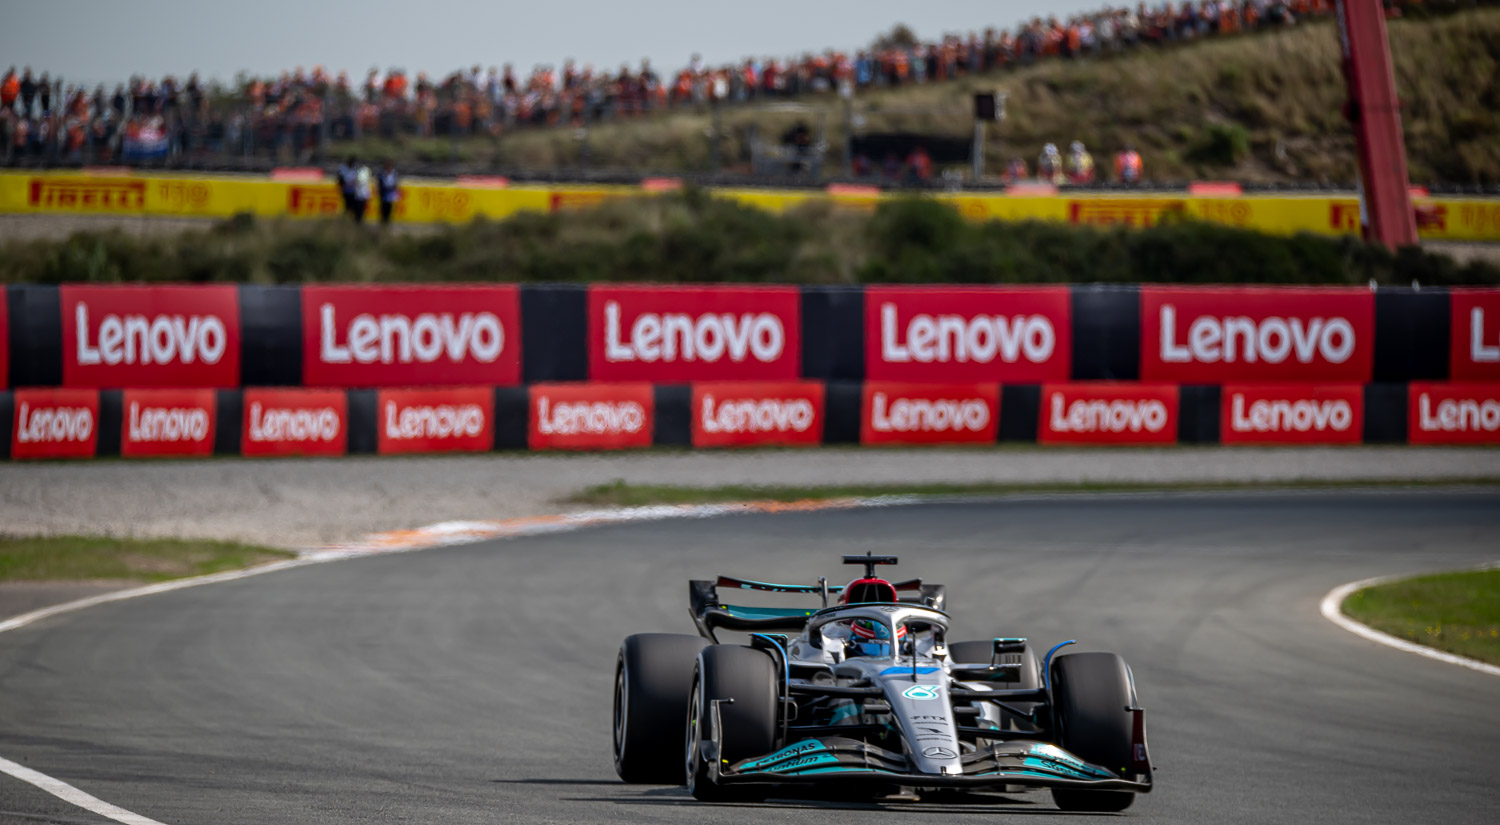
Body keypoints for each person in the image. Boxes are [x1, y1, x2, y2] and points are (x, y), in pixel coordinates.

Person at [377, 160, 399, 226]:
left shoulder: (394, 174)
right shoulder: (382, 174)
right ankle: (382, 224)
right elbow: (380, 184)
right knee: (383, 211)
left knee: (389, 211)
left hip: (390, 196)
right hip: (383, 195)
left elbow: (395, 184)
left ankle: (387, 224)